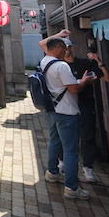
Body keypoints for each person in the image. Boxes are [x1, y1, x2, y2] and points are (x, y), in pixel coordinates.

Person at [39, 36, 97, 200]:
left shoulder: (44, 62)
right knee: (71, 151)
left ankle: (52, 173)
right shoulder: (61, 66)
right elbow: (74, 90)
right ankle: (72, 187)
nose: (67, 51)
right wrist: (84, 81)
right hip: (66, 112)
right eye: (65, 48)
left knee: (54, 141)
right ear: (57, 47)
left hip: (51, 110)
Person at [62, 37, 109, 183]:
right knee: (66, 139)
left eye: (66, 47)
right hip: (67, 107)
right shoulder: (59, 67)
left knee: (88, 138)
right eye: (61, 47)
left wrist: (99, 61)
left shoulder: (84, 63)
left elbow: (107, 78)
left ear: (71, 48)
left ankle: (88, 167)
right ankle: (62, 164)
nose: (64, 50)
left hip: (85, 106)